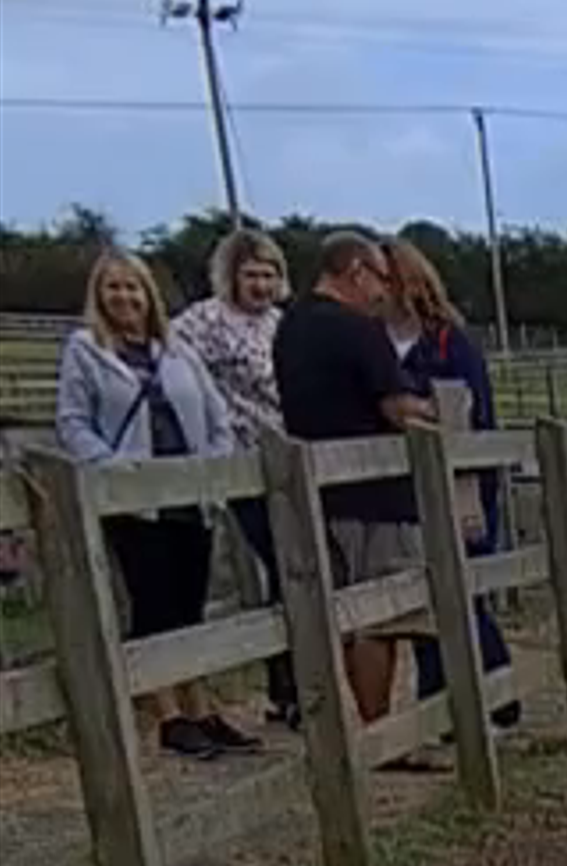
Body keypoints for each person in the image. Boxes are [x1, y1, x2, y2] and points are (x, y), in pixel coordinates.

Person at [56, 247, 243, 759]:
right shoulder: (86, 350)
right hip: (136, 502)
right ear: (99, 295)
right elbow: (73, 422)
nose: (124, 296)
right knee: (153, 603)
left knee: (190, 604)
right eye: (113, 287)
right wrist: (114, 470)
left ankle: (200, 707)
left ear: (148, 294)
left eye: (132, 286)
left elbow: (216, 414)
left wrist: (212, 466)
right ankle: (167, 714)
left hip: (189, 494)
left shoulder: (177, 350)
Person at [272, 225, 435, 742]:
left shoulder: (291, 326)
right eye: (380, 279)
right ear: (356, 271)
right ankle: (381, 734)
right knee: (379, 618)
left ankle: (355, 726)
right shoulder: (359, 330)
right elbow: (398, 408)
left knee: (340, 613)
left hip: (316, 493)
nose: (383, 291)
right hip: (374, 495)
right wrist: (439, 410)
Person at [164, 222, 293, 722]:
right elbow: (170, 363)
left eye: (269, 275)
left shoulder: (280, 324)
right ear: (231, 276)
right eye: (251, 275)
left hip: (287, 459)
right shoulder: (205, 321)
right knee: (281, 559)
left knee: (294, 566)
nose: (261, 285)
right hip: (240, 459)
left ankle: (290, 683)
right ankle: (286, 684)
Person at [387, 240, 516, 716]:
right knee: (424, 602)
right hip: (403, 492)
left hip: (461, 488)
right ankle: (440, 703)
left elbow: (478, 415)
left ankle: (497, 697)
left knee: (464, 595)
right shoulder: (372, 346)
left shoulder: (448, 342)